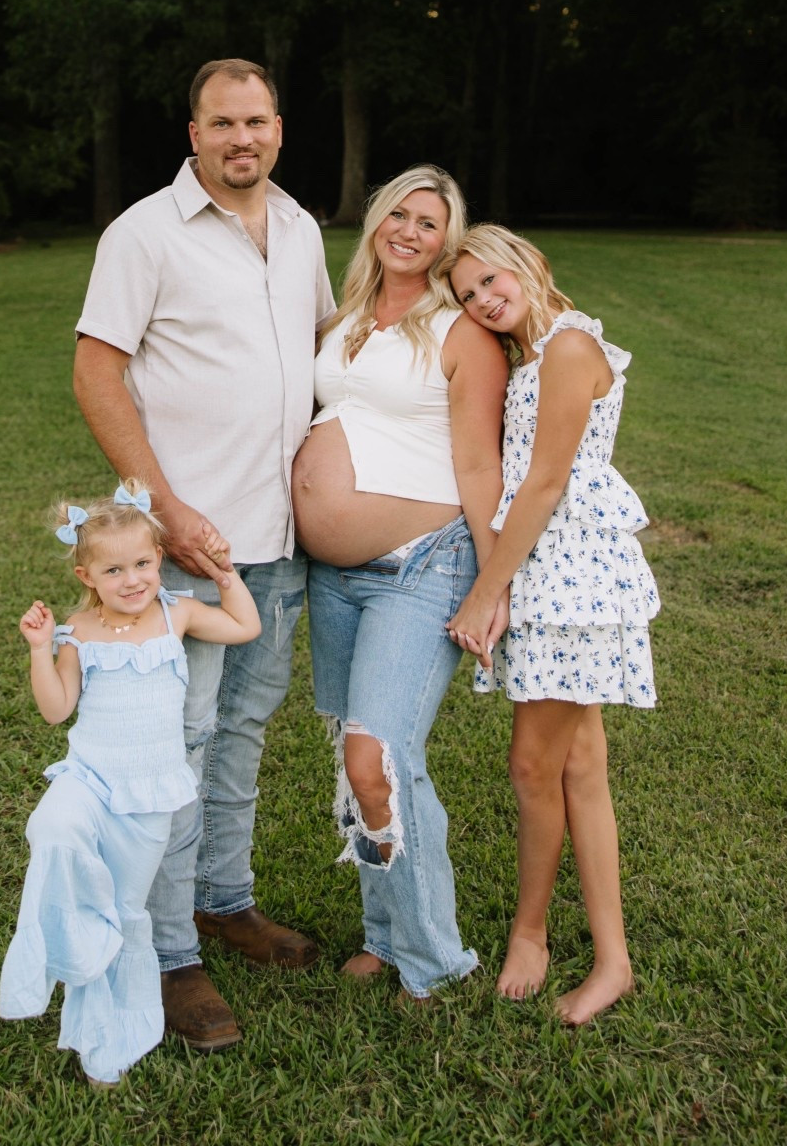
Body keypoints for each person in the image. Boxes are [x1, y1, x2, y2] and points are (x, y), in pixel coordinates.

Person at [73, 59, 335, 1052]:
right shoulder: (143, 233)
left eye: (256, 120)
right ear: (192, 133)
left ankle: (226, 900)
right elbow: (96, 371)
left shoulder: (302, 228)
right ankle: (168, 950)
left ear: (278, 127)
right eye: (221, 122)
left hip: (275, 542)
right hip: (183, 546)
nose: (241, 138)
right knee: (172, 748)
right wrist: (163, 506)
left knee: (241, 734)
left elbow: (317, 353)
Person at [291, 164, 508, 1002]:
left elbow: (479, 462)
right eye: (401, 214)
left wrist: (492, 585)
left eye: (431, 223)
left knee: (377, 755)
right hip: (336, 579)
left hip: (425, 565)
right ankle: (387, 934)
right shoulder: (344, 318)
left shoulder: (458, 330)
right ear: (379, 218)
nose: (411, 231)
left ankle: (434, 956)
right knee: (365, 764)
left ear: (446, 240)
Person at [445, 224, 661, 1025]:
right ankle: (614, 961)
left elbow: (544, 483)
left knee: (535, 768)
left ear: (528, 263)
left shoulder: (570, 348)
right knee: (579, 770)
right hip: (547, 568)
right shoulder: (535, 355)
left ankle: (530, 933)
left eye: (490, 280)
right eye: (468, 295)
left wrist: (484, 593)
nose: (483, 300)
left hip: (570, 578)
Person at [0, 482, 261, 1085]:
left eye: (142, 563)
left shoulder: (177, 613)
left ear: (159, 560)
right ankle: (59, 940)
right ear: (86, 573)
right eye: (113, 569)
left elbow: (245, 627)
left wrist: (224, 572)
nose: (132, 580)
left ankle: (105, 1034)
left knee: (122, 911)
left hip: (149, 795)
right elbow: (57, 709)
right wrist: (42, 650)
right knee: (52, 827)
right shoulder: (78, 628)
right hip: (89, 780)